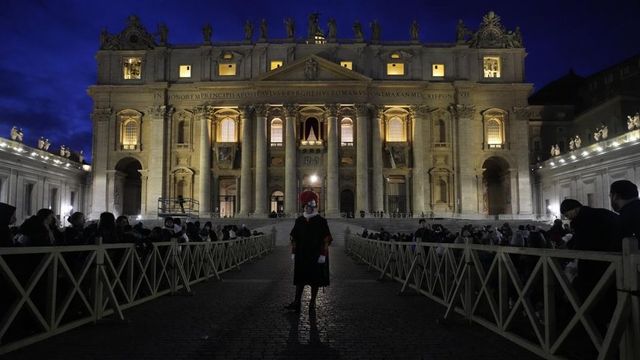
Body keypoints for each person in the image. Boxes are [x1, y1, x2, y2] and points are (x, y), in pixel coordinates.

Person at [285, 190, 332, 313]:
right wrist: (294, 252)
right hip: (301, 254)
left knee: (315, 280)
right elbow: (294, 237)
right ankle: (296, 302)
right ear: (303, 207)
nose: (308, 208)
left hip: (316, 255)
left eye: (310, 205)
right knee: (300, 280)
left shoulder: (321, 221)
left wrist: (323, 254)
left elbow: (326, 238)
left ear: (314, 206)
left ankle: (312, 302)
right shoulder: (299, 220)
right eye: (306, 206)